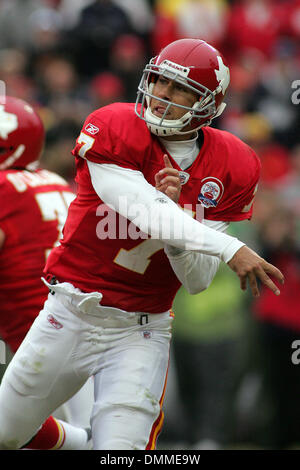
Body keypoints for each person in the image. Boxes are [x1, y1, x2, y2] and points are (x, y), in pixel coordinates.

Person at [0, 39, 284, 451]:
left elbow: (197, 281)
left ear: (208, 105)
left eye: (179, 89)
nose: (162, 95)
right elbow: (142, 208)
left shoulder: (232, 164)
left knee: (121, 452)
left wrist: (181, 220)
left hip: (140, 330)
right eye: (159, 81)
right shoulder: (115, 125)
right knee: (6, 433)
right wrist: (229, 248)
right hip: (71, 310)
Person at [0, 96, 92, 449]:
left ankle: (84, 443)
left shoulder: (5, 190)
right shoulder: (53, 180)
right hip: (84, 325)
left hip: (41, 336)